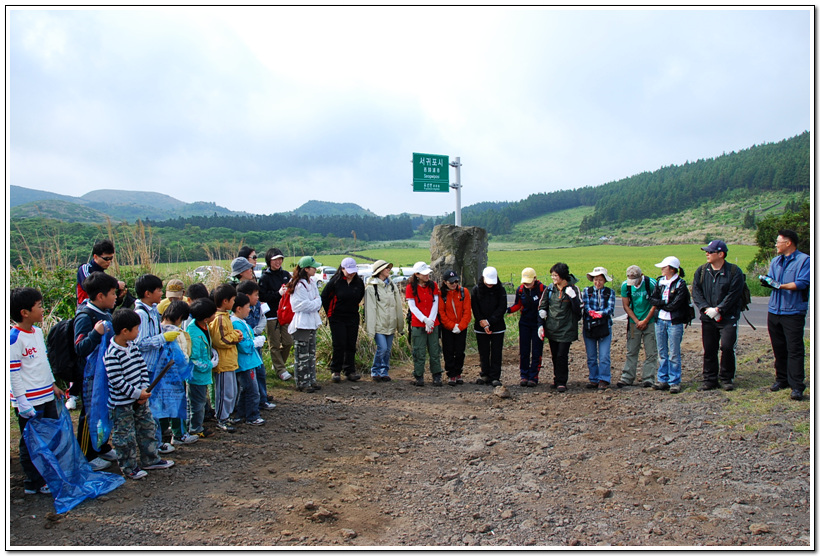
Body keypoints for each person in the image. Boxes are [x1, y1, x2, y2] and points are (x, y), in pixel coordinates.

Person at [104, 309, 174, 480]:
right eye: (136, 329)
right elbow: (117, 382)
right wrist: (137, 394)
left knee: (147, 428)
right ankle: (129, 467)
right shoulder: (112, 354)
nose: (138, 332)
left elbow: (143, 368)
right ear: (124, 331)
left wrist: (144, 390)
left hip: (140, 398)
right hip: (122, 404)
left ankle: (150, 459)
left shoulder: (132, 347)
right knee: (124, 437)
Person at [10, 287, 66, 494]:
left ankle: (46, 475)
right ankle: (32, 481)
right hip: (29, 400)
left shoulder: (37, 332)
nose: (43, 310)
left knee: (48, 437)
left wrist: (52, 385)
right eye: (40, 306)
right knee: (30, 441)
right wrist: (21, 401)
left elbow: (43, 362)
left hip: (45, 394)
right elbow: (13, 373)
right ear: (25, 312)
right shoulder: (14, 339)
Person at [73, 271, 120, 471]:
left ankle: (101, 446)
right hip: (90, 376)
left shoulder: (105, 312)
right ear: (100, 296)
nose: (116, 297)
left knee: (104, 410)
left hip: (105, 371)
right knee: (90, 414)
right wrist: (95, 333)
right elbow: (80, 347)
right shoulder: (86, 316)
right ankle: (87, 454)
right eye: (112, 293)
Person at [760, 229, 811, 401]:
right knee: (778, 347)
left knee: (795, 349)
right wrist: (768, 281)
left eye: (778, 241)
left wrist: (779, 285)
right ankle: (781, 379)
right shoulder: (775, 261)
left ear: (788, 243)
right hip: (774, 310)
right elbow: (773, 281)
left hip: (793, 311)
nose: (776, 244)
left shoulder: (805, 261)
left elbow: (802, 283)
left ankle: (797, 386)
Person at [133, 274, 181, 453]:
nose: (161, 293)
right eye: (159, 290)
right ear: (147, 293)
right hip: (145, 367)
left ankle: (156, 441)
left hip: (154, 366)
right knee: (149, 408)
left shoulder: (152, 310)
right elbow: (140, 342)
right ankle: (152, 444)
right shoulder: (141, 314)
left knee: (154, 406)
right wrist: (162, 338)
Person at [692, 240, 746, 392]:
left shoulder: (734, 272)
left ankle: (727, 378)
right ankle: (710, 379)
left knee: (727, 347)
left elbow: (734, 294)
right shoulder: (702, 271)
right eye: (706, 251)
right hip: (708, 317)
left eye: (710, 251)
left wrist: (720, 309)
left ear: (721, 254)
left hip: (728, 317)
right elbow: (696, 291)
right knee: (709, 349)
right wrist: (705, 308)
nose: (707, 254)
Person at [537, 263, 582, 393]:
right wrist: (541, 322)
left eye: (555, 275)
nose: (553, 277)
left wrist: (573, 298)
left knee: (562, 355)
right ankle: (557, 379)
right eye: (552, 275)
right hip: (552, 328)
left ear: (562, 276)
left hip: (567, 329)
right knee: (555, 355)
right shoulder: (550, 289)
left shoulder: (574, 289)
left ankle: (562, 381)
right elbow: (542, 305)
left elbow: (578, 312)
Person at [159, 299, 198, 445]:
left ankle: (163, 429)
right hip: (174, 374)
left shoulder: (158, 329)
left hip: (161, 376)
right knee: (177, 405)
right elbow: (180, 355)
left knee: (162, 404)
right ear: (179, 317)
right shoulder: (174, 332)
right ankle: (179, 434)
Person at [648, 256, 690, 394]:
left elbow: (675, 305)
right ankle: (663, 379)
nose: (661, 269)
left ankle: (674, 381)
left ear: (672, 269)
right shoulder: (660, 282)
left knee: (674, 353)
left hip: (674, 321)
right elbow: (652, 299)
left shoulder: (680, 284)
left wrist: (661, 304)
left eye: (664, 267)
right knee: (662, 352)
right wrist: (663, 303)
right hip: (660, 320)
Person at [321, 257, 366, 383]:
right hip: (336, 317)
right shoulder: (335, 282)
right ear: (342, 269)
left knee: (351, 344)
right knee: (339, 344)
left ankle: (350, 370)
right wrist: (329, 314)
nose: (351, 273)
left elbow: (360, 296)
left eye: (353, 270)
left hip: (352, 316)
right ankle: (336, 370)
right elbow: (324, 297)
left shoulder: (359, 282)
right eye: (348, 270)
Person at [209, 284, 244, 431]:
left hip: (229, 361)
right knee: (224, 392)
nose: (234, 302)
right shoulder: (220, 319)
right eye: (233, 300)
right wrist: (236, 336)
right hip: (223, 362)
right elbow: (221, 340)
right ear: (225, 301)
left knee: (231, 391)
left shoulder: (225, 317)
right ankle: (222, 418)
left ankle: (227, 415)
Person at [237, 280, 276, 411]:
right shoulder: (239, 313)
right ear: (247, 296)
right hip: (248, 347)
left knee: (260, 372)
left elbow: (263, 317)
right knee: (248, 379)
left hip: (256, 343)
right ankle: (248, 408)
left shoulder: (258, 306)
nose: (258, 298)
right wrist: (252, 334)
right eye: (255, 295)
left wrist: (257, 331)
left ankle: (262, 399)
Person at [364, 260, 405, 382]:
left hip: (390, 323)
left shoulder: (391, 286)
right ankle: (375, 370)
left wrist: (399, 325)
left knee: (387, 350)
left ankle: (384, 371)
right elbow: (370, 310)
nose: (389, 270)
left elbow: (398, 306)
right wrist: (370, 330)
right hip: (379, 324)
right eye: (386, 268)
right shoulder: (371, 288)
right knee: (382, 348)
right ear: (379, 271)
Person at [287, 256, 324, 392]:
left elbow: (317, 300)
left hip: (312, 322)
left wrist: (314, 303)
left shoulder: (312, 282)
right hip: (302, 323)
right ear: (306, 269)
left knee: (311, 353)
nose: (315, 269)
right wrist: (314, 303)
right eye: (313, 267)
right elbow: (299, 305)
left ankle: (311, 379)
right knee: (302, 354)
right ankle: (302, 382)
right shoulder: (298, 285)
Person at [617, 265, 658, 388]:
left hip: (650, 322)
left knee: (651, 351)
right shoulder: (626, 286)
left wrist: (645, 320)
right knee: (632, 350)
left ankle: (648, 378)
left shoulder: (651, 283)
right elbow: (626, 305)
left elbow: (655, 304)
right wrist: (636, 320)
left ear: (641, 275)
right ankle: (627, 377)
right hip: (634, 323)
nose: (633, 283)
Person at [258, 248, 294, 382]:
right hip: (271, 314)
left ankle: (279, 365)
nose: (278, 262)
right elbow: (262, 296)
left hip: (285, 314)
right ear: (269, 261)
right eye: (275, 259)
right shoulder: (264, 278)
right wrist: (278, 294)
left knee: (288, 342)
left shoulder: (285, 274)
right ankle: (280, 369)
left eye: (280, 259)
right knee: (274, 343)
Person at [230, 293, 266, 426]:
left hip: (248, 362)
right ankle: (252, 415)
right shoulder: (237, 324)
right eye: (247, 307)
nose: (249, 309)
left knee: (245, 390)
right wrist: (255, 342)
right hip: (246, 362)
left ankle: (241, 414)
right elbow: (244, 345)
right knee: (252, 390)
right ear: (239, 308)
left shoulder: (240, 322)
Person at [406, 261, 443, 387]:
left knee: (434, 350)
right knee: (419, 351)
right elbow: (412, 306)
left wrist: (431, 321)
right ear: (417, 274)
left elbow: (435, 303)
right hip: (418, 324)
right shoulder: (410, 287)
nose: (427, 276)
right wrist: (424, 320)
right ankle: (418, 375)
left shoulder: (433, 285)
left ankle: (437, 375)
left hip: (433, 323)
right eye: (424, 274)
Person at [508, 267, 546, 387]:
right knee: (524, 350)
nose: (526, 284)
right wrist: (507, 310)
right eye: (525, 282)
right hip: (524, 323)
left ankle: (534, 376)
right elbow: (517, 305)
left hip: (538, 324)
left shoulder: (542, 289)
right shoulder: (520, 290)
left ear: (535, 279)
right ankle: (524, 375)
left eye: (529, 282)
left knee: (536, 350)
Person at [580, 267, 617, 390]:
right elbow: (585, 306)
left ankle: (604, 379)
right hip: (590, 327)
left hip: (604, 326)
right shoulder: (586, 291)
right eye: (596, 279)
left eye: (600, 280)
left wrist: (600, 313)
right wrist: (592, 313)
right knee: (591, 356)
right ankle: (593, 379)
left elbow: (610, 309)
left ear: (605, 280)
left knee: (604, 356)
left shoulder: (610, 292)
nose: (598, 282)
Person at [186, 298, 217, 438]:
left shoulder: (202, 327)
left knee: (199, 401)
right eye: (213, 313)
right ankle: (195, 428)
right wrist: (210, 364)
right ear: (205, 318)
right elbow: (194, 360)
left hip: (203, 374)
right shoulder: (193, 333)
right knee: (196, 403)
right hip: (197, 376)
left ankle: (195, 424)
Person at [472, 267, 507, 387]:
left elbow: (502, 307)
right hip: (480, 325)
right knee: (484, 351)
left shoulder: (501, 290)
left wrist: (489, 322)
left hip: (497, 326)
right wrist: (482, 321)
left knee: (496, 352)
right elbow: (475, 307)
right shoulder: (476, 290)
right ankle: (485, 374)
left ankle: (495, 376)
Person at [438, 270, 472, 386]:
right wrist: (452, 326)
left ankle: (458, 372)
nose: (454, 284)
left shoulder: (464, 292)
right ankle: (451, 374)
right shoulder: (441, 294)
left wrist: (461, 326)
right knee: (448, 351)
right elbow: (441, 313)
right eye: (451, 282)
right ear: (445, 282)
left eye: (456, 281)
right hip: (448, 328)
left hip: (461, 327)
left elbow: (467, 311)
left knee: (459, 351)